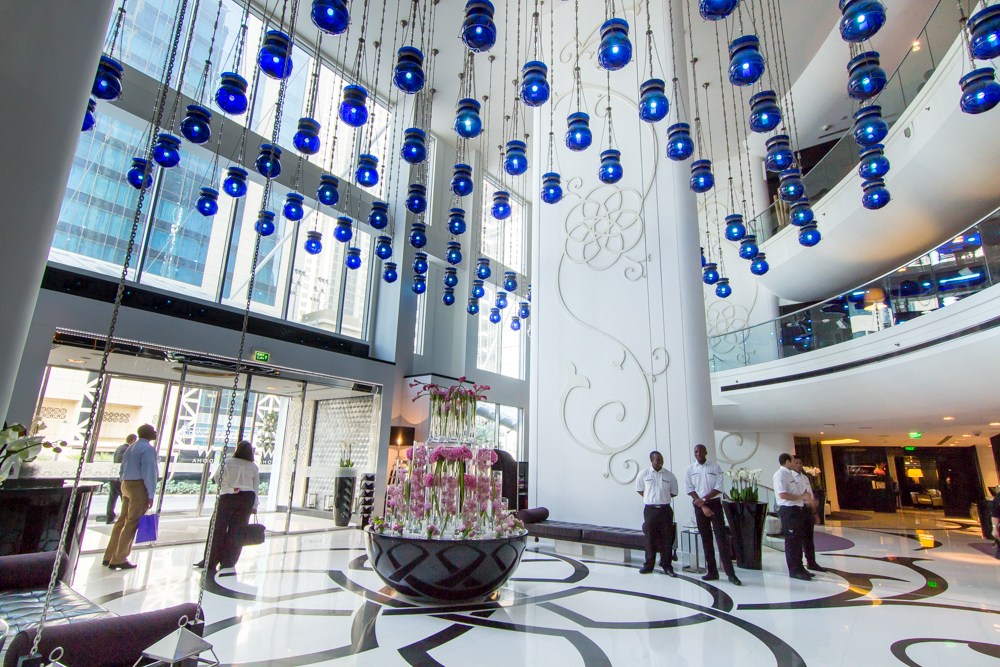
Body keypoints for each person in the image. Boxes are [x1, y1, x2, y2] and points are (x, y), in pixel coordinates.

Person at [195, 440, 260, 572]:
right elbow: (255, 488)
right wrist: (255, 505)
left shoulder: (228, 462)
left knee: (218, 527)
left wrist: (228, 489)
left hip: (229, 496)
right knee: (238, 530)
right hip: (247, 498)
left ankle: (210, 559)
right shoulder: (253, 467)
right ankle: (228, 561)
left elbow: (217, 477)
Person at [103, 424, 158, 570]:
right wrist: (150, 494)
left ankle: (109, 555)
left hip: (126, 484)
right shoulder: (148, 449)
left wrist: (124, 482)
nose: (155, 433)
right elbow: (149, 472)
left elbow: (122, 469)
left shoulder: (131, 447)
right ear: (147, 434)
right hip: (138, 486)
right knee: (132, 522)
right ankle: (119, 558)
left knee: (122, 521)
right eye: (153, 431)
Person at [686, 444, 742, 586]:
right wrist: (703, 505)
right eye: (696, 451)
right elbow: (690, 489)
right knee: (706, 539)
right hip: (699, 506)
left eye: (701, 451)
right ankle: (712, 571)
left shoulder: (715, 467)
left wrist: (704, 500)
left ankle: (731, 574)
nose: (698, 454)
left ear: (706, 452)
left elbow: (719, 488)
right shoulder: (690, 469)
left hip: (714, 504)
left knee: (721, 539)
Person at [774, 452, 818, 581]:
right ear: (788, 462)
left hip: (797, 510)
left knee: (798, 541)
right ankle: (794, 570)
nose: (796, 464)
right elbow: (782, 494)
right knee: (792, 541)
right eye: (794, 461)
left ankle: (800, 568)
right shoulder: (780, 474)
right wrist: (801, 497)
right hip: (789, 510)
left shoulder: (789, 474)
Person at [636, 450, 679, 577]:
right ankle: (649, 565)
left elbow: (674, 492)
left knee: (667, 538)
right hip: (650, 510)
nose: (660, 462)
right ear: (651, 460)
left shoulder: (669, 475)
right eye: (657, 460)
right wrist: (651, 498)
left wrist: (661, 498)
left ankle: (667, 566)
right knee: (650, 538)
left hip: (665, 510)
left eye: (662, 460)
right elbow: (640, 489)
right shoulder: (644, 474)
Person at [791, 456, 827, 573]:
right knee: (798, 540)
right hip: (797, 509)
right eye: (796, 463)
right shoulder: (790, 477)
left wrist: (815, 513)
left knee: (809, 539)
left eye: (800, 463)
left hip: (807, 510)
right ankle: (799, 565)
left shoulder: (805, 478)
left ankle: (811, 562)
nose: (799, 465)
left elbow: (810, 496)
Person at [106, 434, 137, 524]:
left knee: (112, 498)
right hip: (120, 478)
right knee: (125, 498)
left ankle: (109, 517)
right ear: (133, 441)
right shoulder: (127, 449)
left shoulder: (119, 448)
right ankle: (125, 518)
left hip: (113, 477)